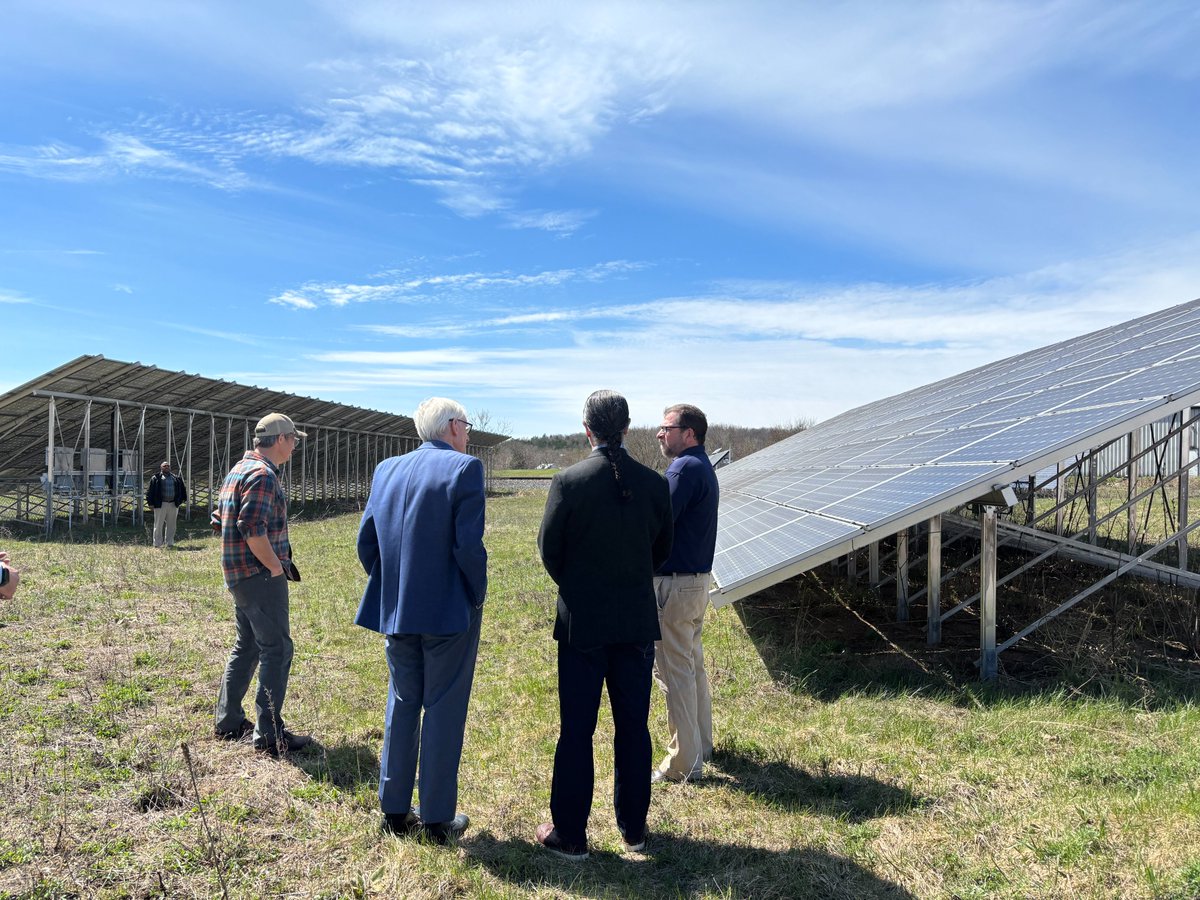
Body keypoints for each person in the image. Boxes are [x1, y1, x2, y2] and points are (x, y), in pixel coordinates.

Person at [535, 390, 673, 861]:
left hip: (583, 626)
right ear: (627, 428)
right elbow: (662, 550)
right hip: (635, 622)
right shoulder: (655, 485)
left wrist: (579, 586)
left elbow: (550, 550)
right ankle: (634, 829)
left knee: (577, 729)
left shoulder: (569, 482)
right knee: (633, 727)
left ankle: (570, 834)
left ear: (586, 429)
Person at [355, 398, 487, 845]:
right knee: (444, 710)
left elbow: (367, 543)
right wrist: (477, 594)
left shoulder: (386, 469)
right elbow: (468, 548)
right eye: (466, 425)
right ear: (452, 427)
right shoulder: (464, 469)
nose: (467, 434)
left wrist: (392, 582)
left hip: (397, 609)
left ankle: (393, 810)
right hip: (448, 611)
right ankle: (436, 819)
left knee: (402, 703)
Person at [213, 413, 313, 757]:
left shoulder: (238, 469)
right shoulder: (262, 475)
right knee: (277, 649)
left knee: (249, 645)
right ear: (281, 439)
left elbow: (219, 518)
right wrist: (273, 567)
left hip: (237, 574)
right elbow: (252, 527)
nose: (295, 445)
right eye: (294, 439)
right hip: (258, 576)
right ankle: (269, 735)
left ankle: (228, 721)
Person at [652, 404, 720, 784]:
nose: (661, 434)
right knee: (691, 668)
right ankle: (701, 746)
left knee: (673, 672)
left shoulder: (683, 468)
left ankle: (683, 763)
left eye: (667, 428)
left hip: (674, 587)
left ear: (689, 433)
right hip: (695, 583)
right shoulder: (702, 466)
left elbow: (658, 521)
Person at [146, 460, 187, 548]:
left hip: (173, 504)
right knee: (158, 524)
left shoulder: (175, 478)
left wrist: (182, 499)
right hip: (161, 504)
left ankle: (170, 543)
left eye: (168, 466)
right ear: (161, 468)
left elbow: (182, 488)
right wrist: (150, 503)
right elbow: (150, 491)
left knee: (172, 524)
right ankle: (157, 544)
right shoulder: (156, 478)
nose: (166, 467)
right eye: (164, 466)